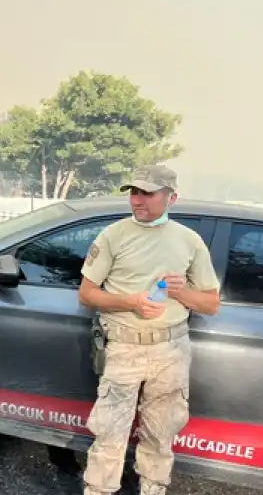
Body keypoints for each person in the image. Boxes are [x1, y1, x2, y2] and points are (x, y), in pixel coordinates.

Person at [79, 165, 221, 495]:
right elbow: (87, 294)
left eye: (147, 193)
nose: (137, 200)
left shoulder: (190, 241)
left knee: (160, 433)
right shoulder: (113, 235)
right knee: (110, 433)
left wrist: (180, 292)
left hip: (170, 350)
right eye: (134, 192)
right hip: (124, 347)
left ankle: (153, 489)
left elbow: (211, 304)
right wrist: (132, 302)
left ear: (171, 197)